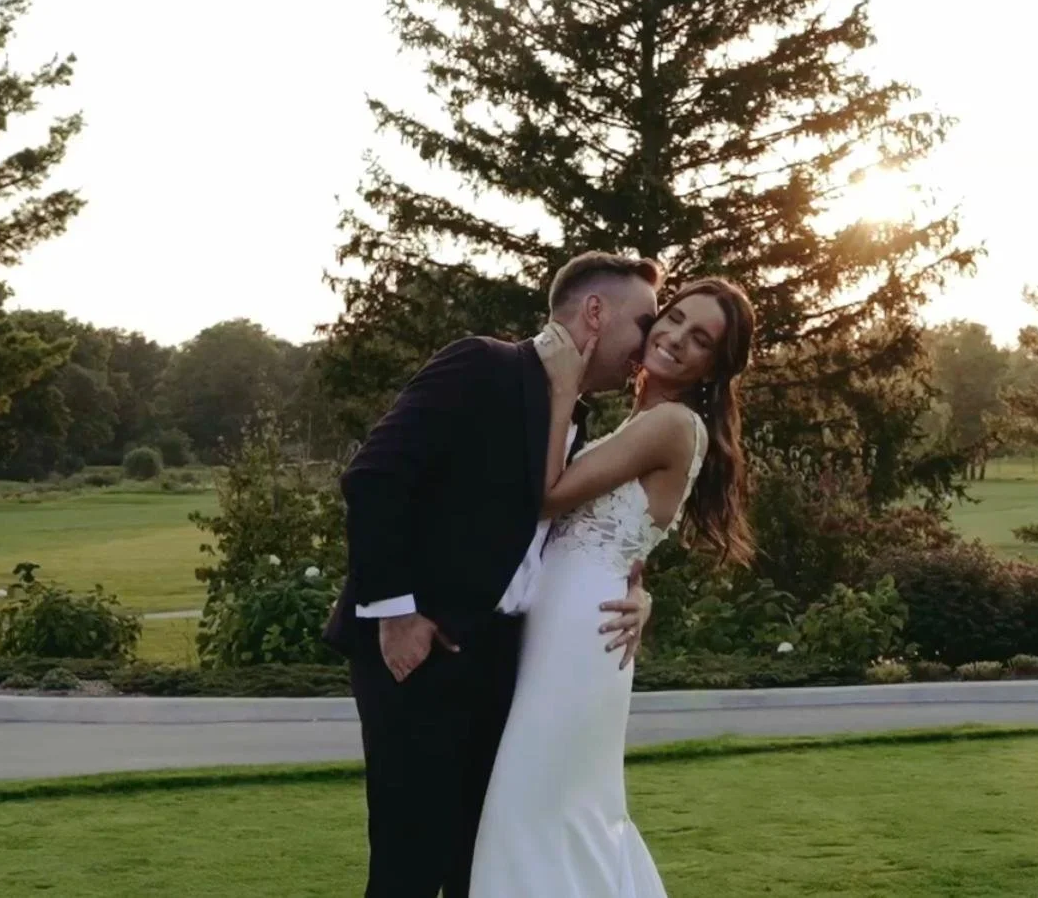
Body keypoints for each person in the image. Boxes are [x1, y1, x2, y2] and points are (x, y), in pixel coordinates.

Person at [323, 251, 665, 897]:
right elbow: (375, 477)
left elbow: (566, 538)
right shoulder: (483, 365)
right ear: (595, 312)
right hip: (420, 655)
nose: (648, 346)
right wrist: (397, 613)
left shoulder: (574, 418)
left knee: (481, 866)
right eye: (644, 323)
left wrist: (636, 592)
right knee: (409, 863)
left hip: (506, 661)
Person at [471, 278, 758, 898]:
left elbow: (545, 497)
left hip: (582, 632)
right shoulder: (645, 422)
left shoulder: (673, 424)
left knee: (533, 805)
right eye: (674, 317)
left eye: (700, 338)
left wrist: (564, 385)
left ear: (714, 367)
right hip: (568, 622)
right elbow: (623, 536)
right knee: (555, 808)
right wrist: (641, 592)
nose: (676, 337)